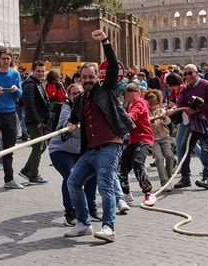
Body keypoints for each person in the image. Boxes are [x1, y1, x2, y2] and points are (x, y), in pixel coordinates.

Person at [64, 30, 135, 242]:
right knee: (73, 182)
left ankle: (108, 227)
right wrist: (70, 124)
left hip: (110, 146)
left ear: (98, 77)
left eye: (91, 77)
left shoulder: (107, 89)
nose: (87, 80)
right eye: (84, 77)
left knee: (105, 185)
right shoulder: (80, 100)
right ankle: (84, 223)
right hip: (91, 150)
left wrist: (105, 41)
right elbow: (75, 119)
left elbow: (113, 65)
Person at [49, 83, 102, 226]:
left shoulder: (90, 106)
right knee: (70, 176)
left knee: (92, 174)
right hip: (61, 150)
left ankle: (91, 209)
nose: (77, 96)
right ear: (69, 96)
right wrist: (69, 126)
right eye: (73, 93)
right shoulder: (66, 108)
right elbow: (64, 123)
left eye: (79, 93)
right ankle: (70, 213)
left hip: (81, 150)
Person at [172, 64, 208, 190]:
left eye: (190, 73)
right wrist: (172, 110)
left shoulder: (207, 85)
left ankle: (207, 179)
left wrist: (196, 110)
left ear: (197, 72)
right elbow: (180, 104)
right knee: (183, 148)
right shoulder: (185, 89)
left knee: (205, 149)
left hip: (206, 122)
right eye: (185, 74)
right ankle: (185, 178)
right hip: (193, 124)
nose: (188, 76)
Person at [0, 48, 23, 189]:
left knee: (9, 148)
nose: (6, 61)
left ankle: (9, 179)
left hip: (10, 114)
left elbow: (20, 94)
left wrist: (15, 90)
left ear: (11, 60)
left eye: (8, 58)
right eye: (3, 58)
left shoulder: (15, 74)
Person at [118, 83, 156, 205]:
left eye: (133, 93)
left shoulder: (139, 103)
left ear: (139, 93)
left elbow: (132, 115)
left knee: (138, 162)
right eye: (128, 94)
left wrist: (123, 119)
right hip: (133, 140)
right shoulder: (130, 104)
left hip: (144, 138)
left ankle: (148, 193)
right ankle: (126, 194)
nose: (130, 96)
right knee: (122, 166)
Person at [19, 61, 49, 184]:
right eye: (38, 71)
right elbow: (29, 105)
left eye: (43, 71)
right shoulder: (30, 84)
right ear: (32, 70)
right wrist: (37, 122)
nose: (41, 73)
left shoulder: (37, 83)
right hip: (34, 122)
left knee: (42, 146)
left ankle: (26, 170)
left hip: (39, 120)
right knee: (38, 147)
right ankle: (33, 174)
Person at [145, 89, 174, 191]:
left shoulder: (161, 109)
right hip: (153, 140)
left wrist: (164, 118)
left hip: (164, 137)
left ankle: (169, 178)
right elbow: (146, 122)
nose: (152, 102)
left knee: (170, 156)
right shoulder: (145, 111)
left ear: (157, 100)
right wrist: (155, 118)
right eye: (150, 99)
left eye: (154, 99)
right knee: (158, 158)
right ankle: (164, 182)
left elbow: (168, 121)